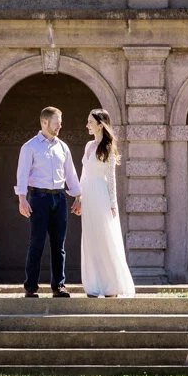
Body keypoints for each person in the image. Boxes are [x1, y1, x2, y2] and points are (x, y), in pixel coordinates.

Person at [15, 106, 81, 298]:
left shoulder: (63, 147)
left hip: (59, 198)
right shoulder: (30, 147)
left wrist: (78, 197)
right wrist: (22, 200)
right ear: (45, 122)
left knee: (58, 245)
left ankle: (58, 286)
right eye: (57, 122)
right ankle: (31, 287)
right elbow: (22, 174)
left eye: (60, 123)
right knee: (36, 243)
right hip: (38, 198)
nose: (60, 126)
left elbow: (71, 173)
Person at [79, 109, 135, 299]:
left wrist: (112, 204)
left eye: (90, 122)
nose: (87, 125)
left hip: (101, 195)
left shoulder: (108, 148)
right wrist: (78, 197)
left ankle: (112, 287)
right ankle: (94, 285)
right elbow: (83, 173)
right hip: (87, 196)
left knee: (105, 238)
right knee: (90, 239)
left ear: (100, 124)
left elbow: (111, 178)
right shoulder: (88, 146)